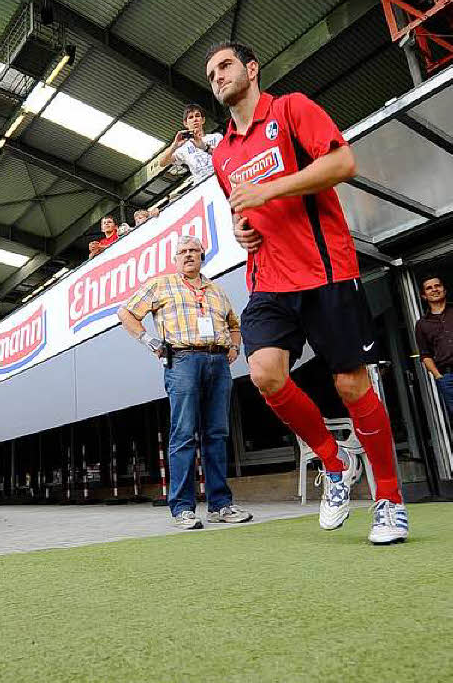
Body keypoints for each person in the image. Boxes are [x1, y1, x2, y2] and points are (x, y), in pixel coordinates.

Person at [205, 40, 408, 545]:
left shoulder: (293, 108)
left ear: (252, 68)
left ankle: (389, 498)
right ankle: (334, 464)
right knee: (265, 374)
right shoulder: (222, 153)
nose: (217, 76)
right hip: (268, 279)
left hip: (326, 270)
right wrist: (240, 229)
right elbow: (241, 210)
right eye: (210, 74)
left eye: (225, 65)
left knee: (351, 386)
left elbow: (342, 165)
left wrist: (271, 189)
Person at [118, 235, 252, 530]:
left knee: (217, 433)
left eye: (193, 250)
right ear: (175, 259)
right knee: (184, 434)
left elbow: (234, 324)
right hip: (182, 361)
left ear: (202, 256)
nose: (188, 255)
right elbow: (125, 313)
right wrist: (151, 341)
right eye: (183, 252)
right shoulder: (160, 285)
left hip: (217, 362)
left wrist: (234, 347)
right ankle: (182, 508)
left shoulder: (217, 290)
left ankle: (220, 505)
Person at [415, 272, 453, 420]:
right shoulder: (422, 324)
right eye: (429, 288)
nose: (434, 289)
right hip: (448, 377)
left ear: (444, 290)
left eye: (437, 285)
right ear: (424, 296)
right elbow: (425, 355)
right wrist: (438, 376)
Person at [159, 103, 223, 187]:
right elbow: (162, 163)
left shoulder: (217, 137)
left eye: (197, 116)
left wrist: (205, 147)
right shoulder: (183, 147)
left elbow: (225, 157)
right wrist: (174, 146)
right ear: (185, 123)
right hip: (203, 188)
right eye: (191, 117)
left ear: (203, 120)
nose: (195, 119)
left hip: (221, 180)